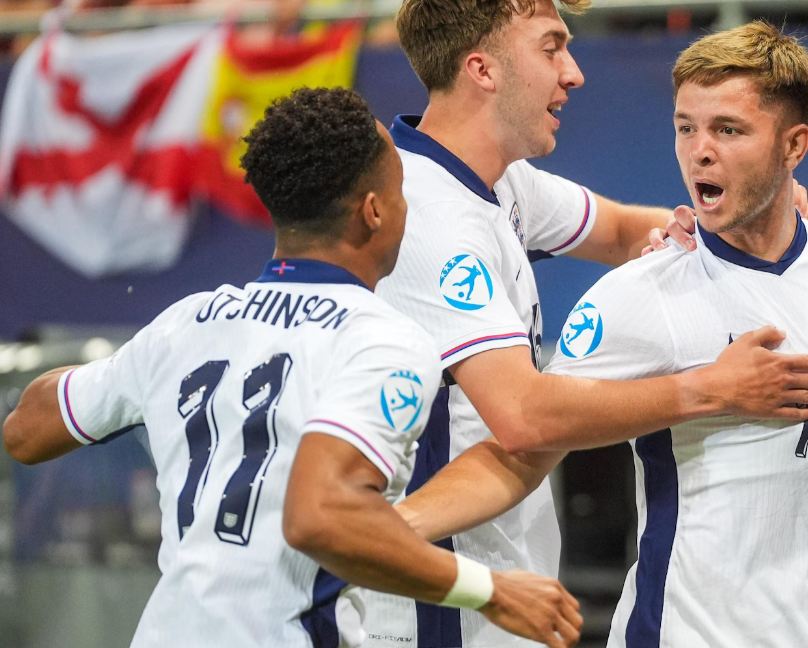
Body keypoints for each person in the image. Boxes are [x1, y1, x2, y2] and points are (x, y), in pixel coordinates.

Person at [364, 0, 808, 647]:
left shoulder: (497, 181)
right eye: (551, 47)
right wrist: (710, 389)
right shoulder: (429, 219)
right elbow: (523, 420)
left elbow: (619, 229)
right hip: (429, 598)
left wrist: (743, 210)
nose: (574, 72)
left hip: (491, 577)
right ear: (482, 70)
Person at [1, 88, 583, 648]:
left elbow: (25, 431)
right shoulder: (383, 341)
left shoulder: (188, 323)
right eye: (403, 191)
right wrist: (488, 590)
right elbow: (319, 517)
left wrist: (128, 376)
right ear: (374, 212)